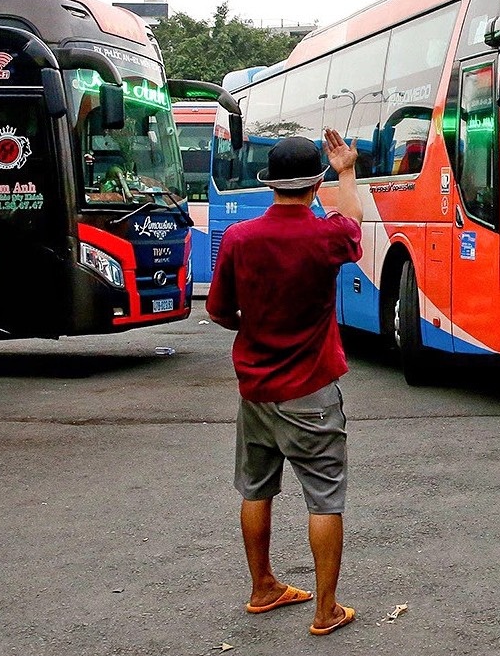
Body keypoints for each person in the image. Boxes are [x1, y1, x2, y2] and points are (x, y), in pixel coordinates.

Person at [205, 129, 363, 636]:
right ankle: (325, 609)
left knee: (255, 489)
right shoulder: (326, 236)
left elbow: (218, 311)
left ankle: (263, 586)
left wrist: (253, 328)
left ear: (270, 183)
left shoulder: (239, 238)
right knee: (324, 498)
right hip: (312, 389)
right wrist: (346, 171)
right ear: (314, 183)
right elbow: (354, 222)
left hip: (256, 390)